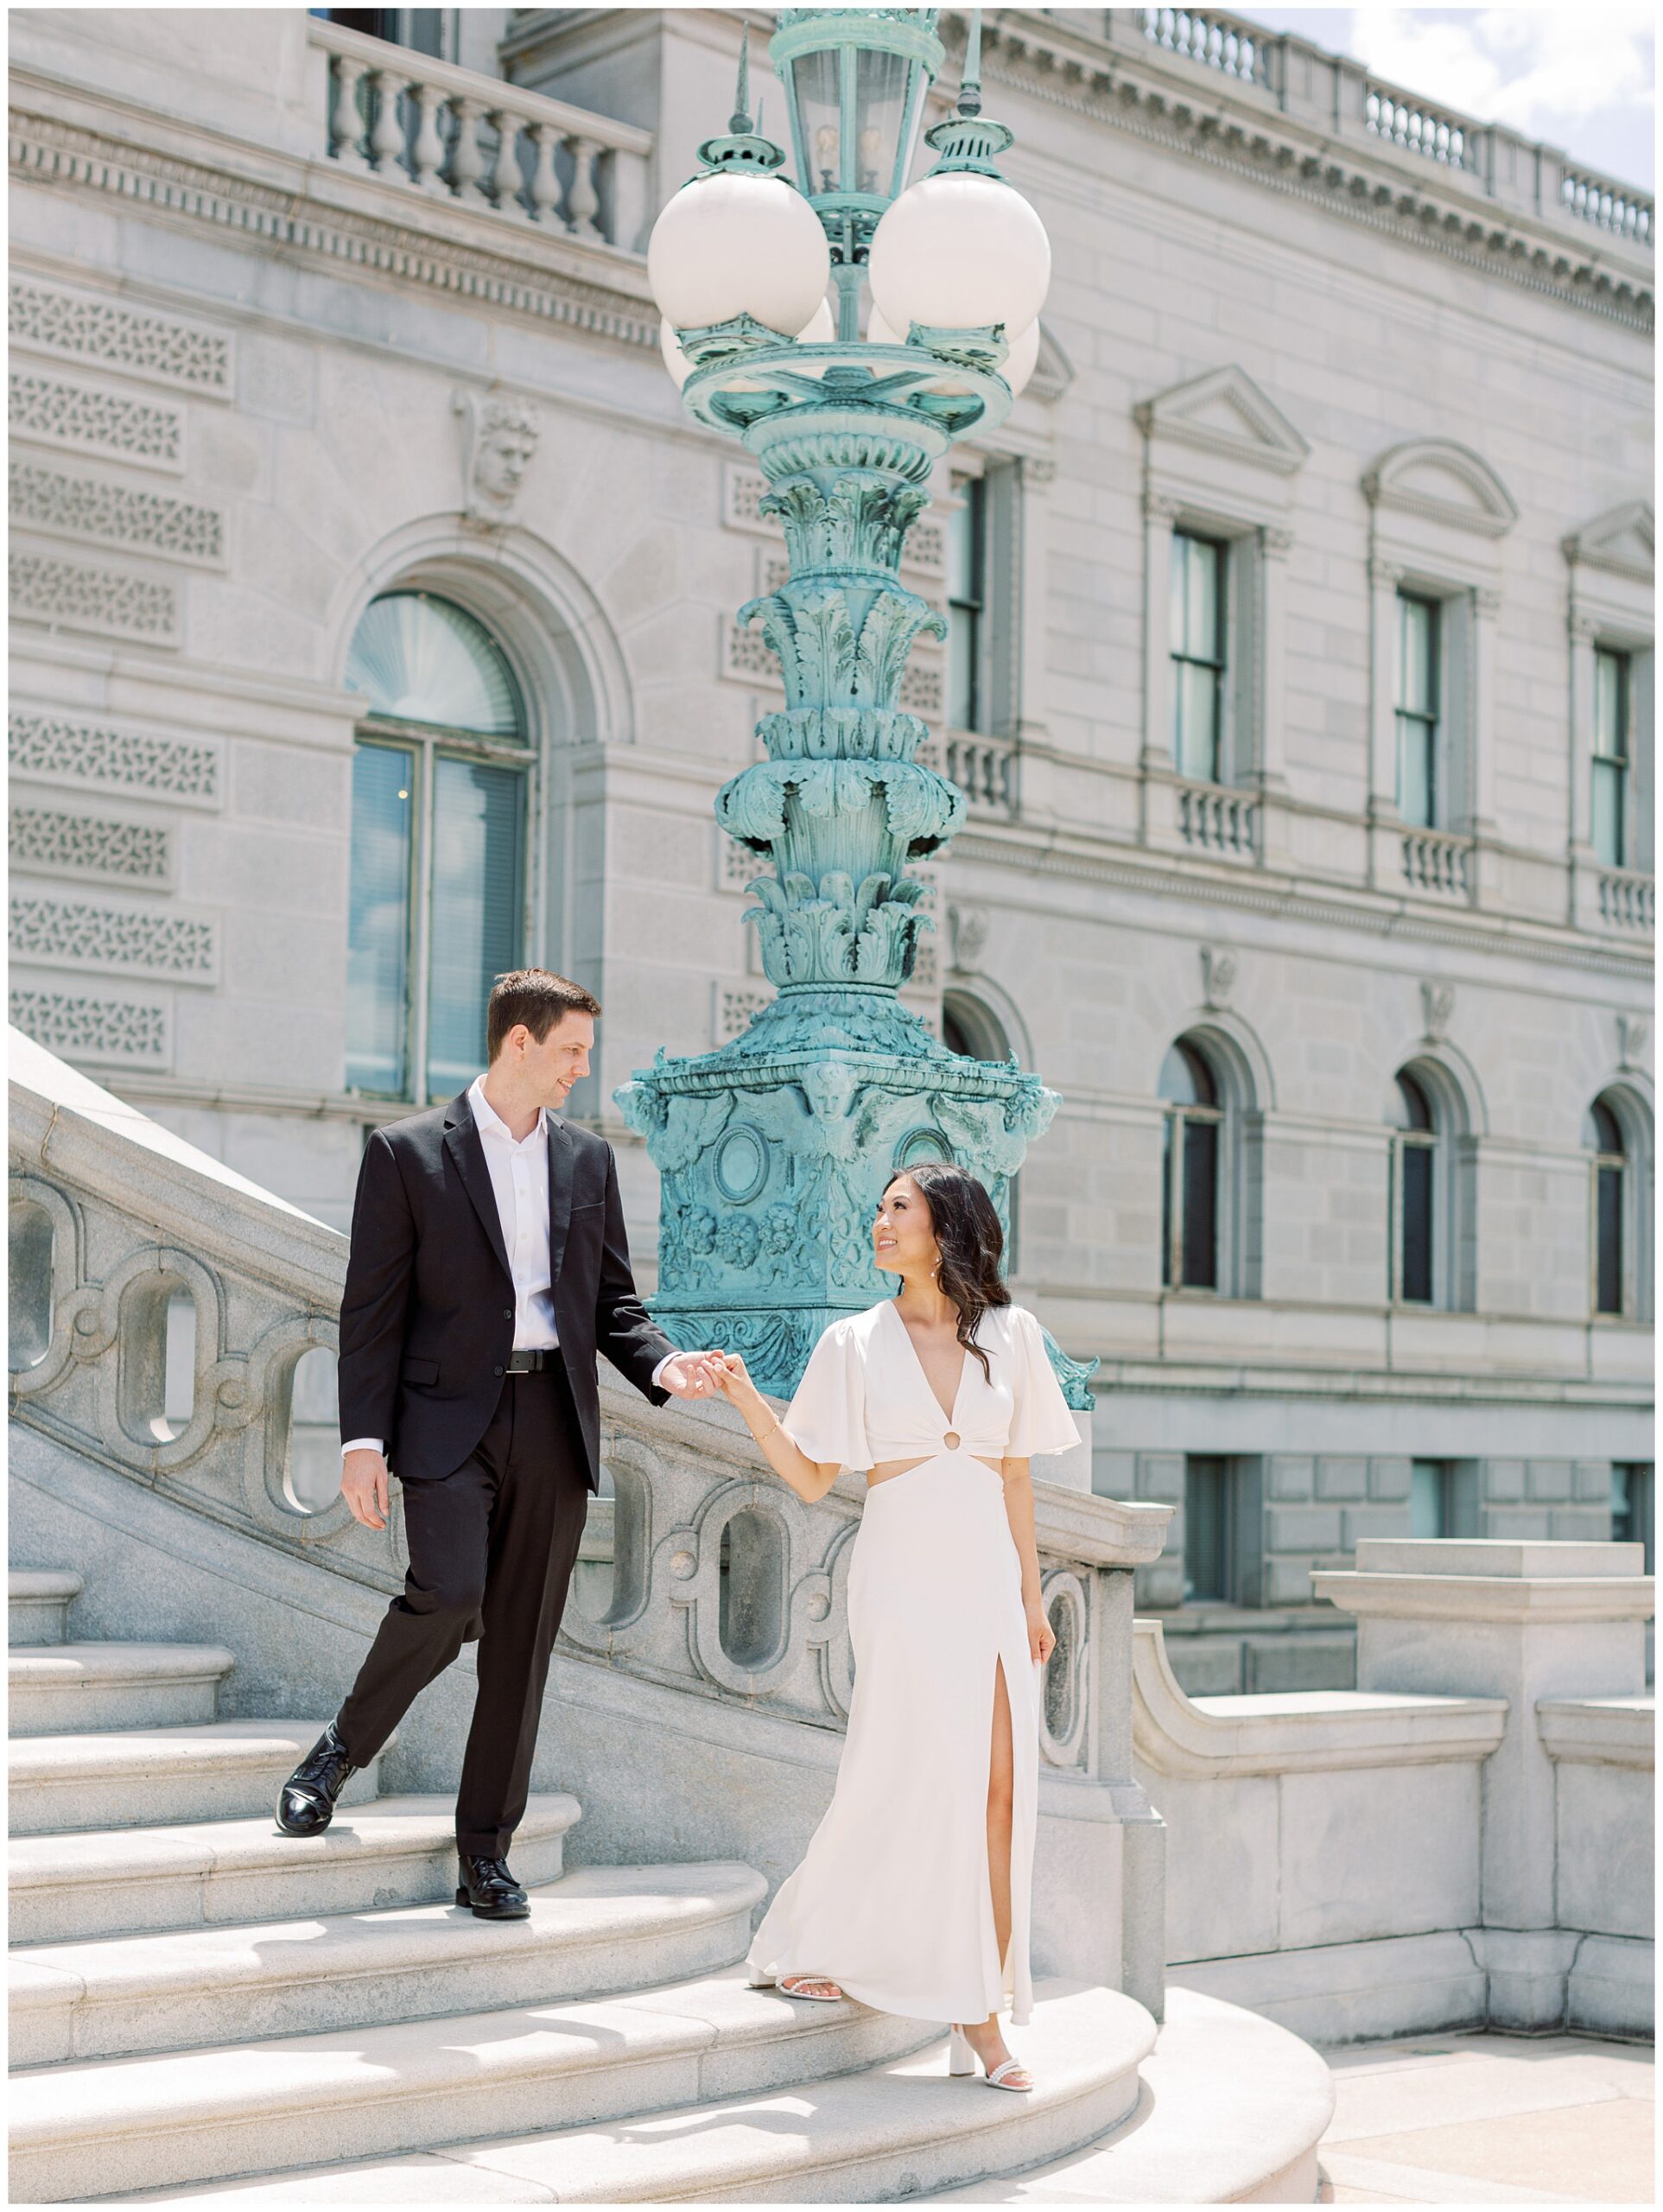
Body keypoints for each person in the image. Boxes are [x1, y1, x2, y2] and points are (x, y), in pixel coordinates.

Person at [275, 969, 720, 1919]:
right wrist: (361, 1439)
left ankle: (485, 1851)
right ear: (519, 1043)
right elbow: (371, 1311)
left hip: (552, 1421)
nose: (581, 1071)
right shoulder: (404, 1155)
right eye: (570, 1051)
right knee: (451, 1594)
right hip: (444, 1421)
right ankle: (343, 1746)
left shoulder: (588, 1162)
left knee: (519, 1646)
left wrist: (663, 1365)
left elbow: (611, 1304)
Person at [708, 1160, 1080, 2092]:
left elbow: (1017, 1476)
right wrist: (749, 1397)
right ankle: (975, 2018)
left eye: (896, 1209)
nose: (878, 1223)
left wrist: (1030, 1600)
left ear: (945, 1224)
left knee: (996, 1793)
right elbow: (808, 1477)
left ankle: (976, 1988)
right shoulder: (853, 1341)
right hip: (904, 1576)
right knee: (909, 1773)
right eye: (877, 1210)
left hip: (988, 1581)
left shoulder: (1012, 1334)